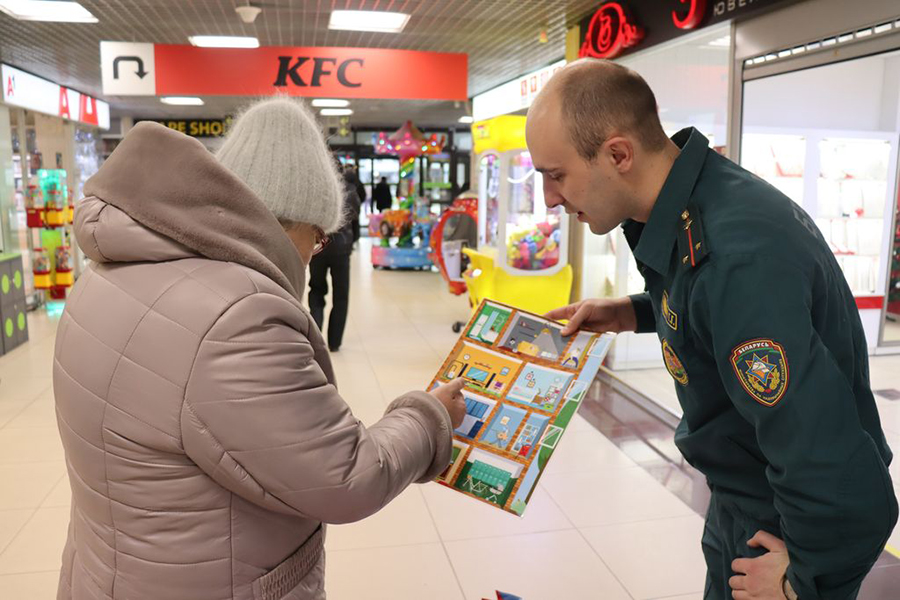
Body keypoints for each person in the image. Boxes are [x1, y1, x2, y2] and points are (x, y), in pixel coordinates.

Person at [53, 97, 466, 600]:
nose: (313, 255)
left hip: (109, 574)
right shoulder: (238, 317)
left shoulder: (107, 273)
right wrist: (428, 416)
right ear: (288, 224)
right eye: (317, 238)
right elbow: (348, 476)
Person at [527, 59, 897, 600]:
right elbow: (708, 305)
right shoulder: (698, 197)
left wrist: (801, 582)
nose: (549, 199)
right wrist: (634, 312)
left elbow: (826, 455)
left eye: (556, 175)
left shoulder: (734, 258)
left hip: (784, 532)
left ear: (619, 155)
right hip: (743, 495)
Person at [309, 166, 361, 352]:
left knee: (316, 290)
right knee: (341, 295)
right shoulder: (350, 191)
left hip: (319, 248)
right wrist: (352, 241)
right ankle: (335, 342)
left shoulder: (317, 190)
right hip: (342, 250)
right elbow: (355, 220)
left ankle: (315, 338)